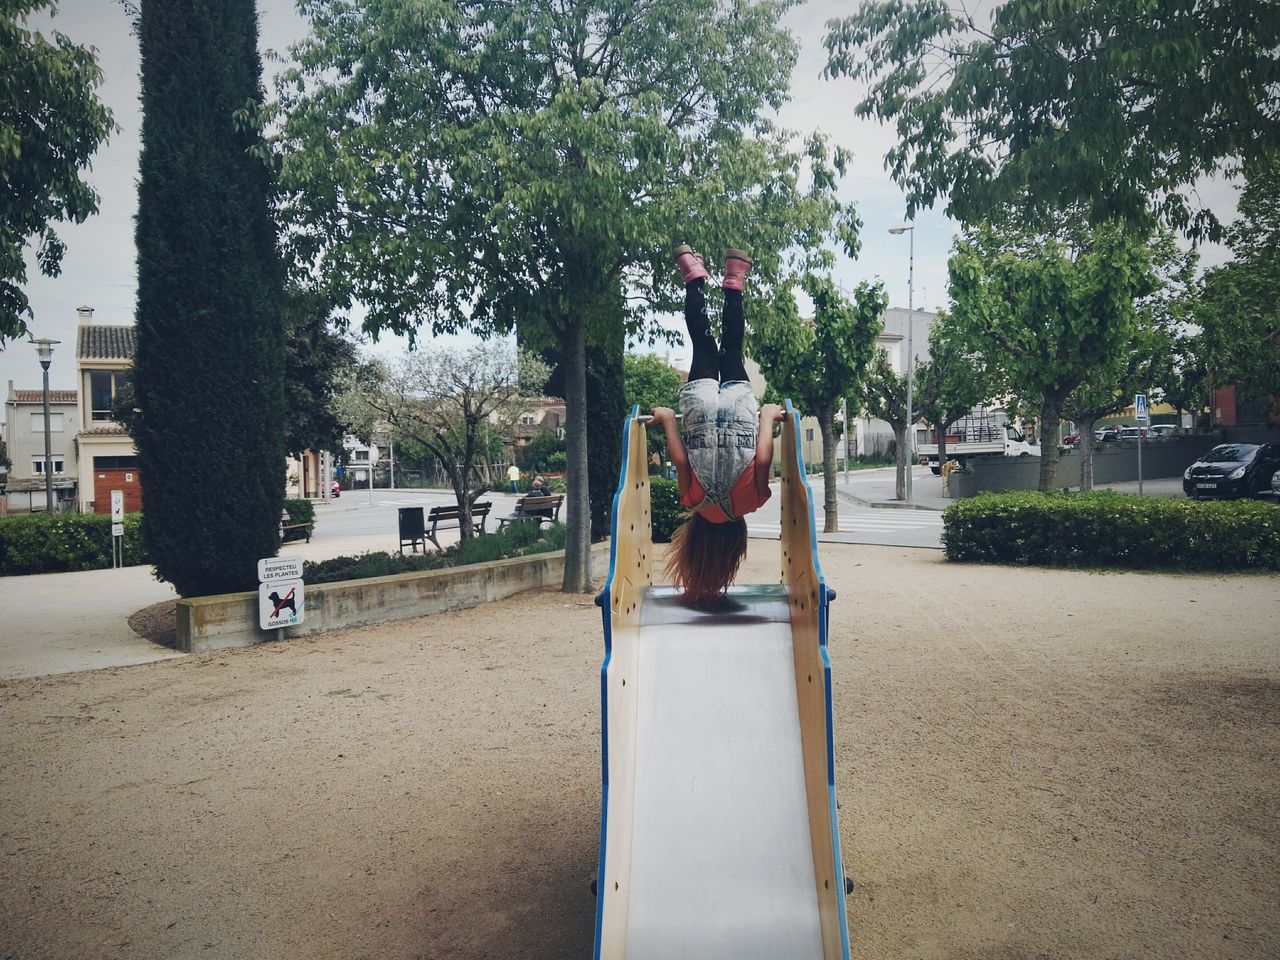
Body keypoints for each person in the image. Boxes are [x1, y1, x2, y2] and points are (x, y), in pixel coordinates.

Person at [650, 244, 784, 605]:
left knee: (732, 348)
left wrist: (768, 417)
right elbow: (680, 460)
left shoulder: (753, 503)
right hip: (702, 410)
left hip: (740, 412)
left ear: (737, 542)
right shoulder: (692, 501)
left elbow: (760, 461)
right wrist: (665, 420)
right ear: (695, 539)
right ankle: (693, 277)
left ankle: (735, 276)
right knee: (703, 343)